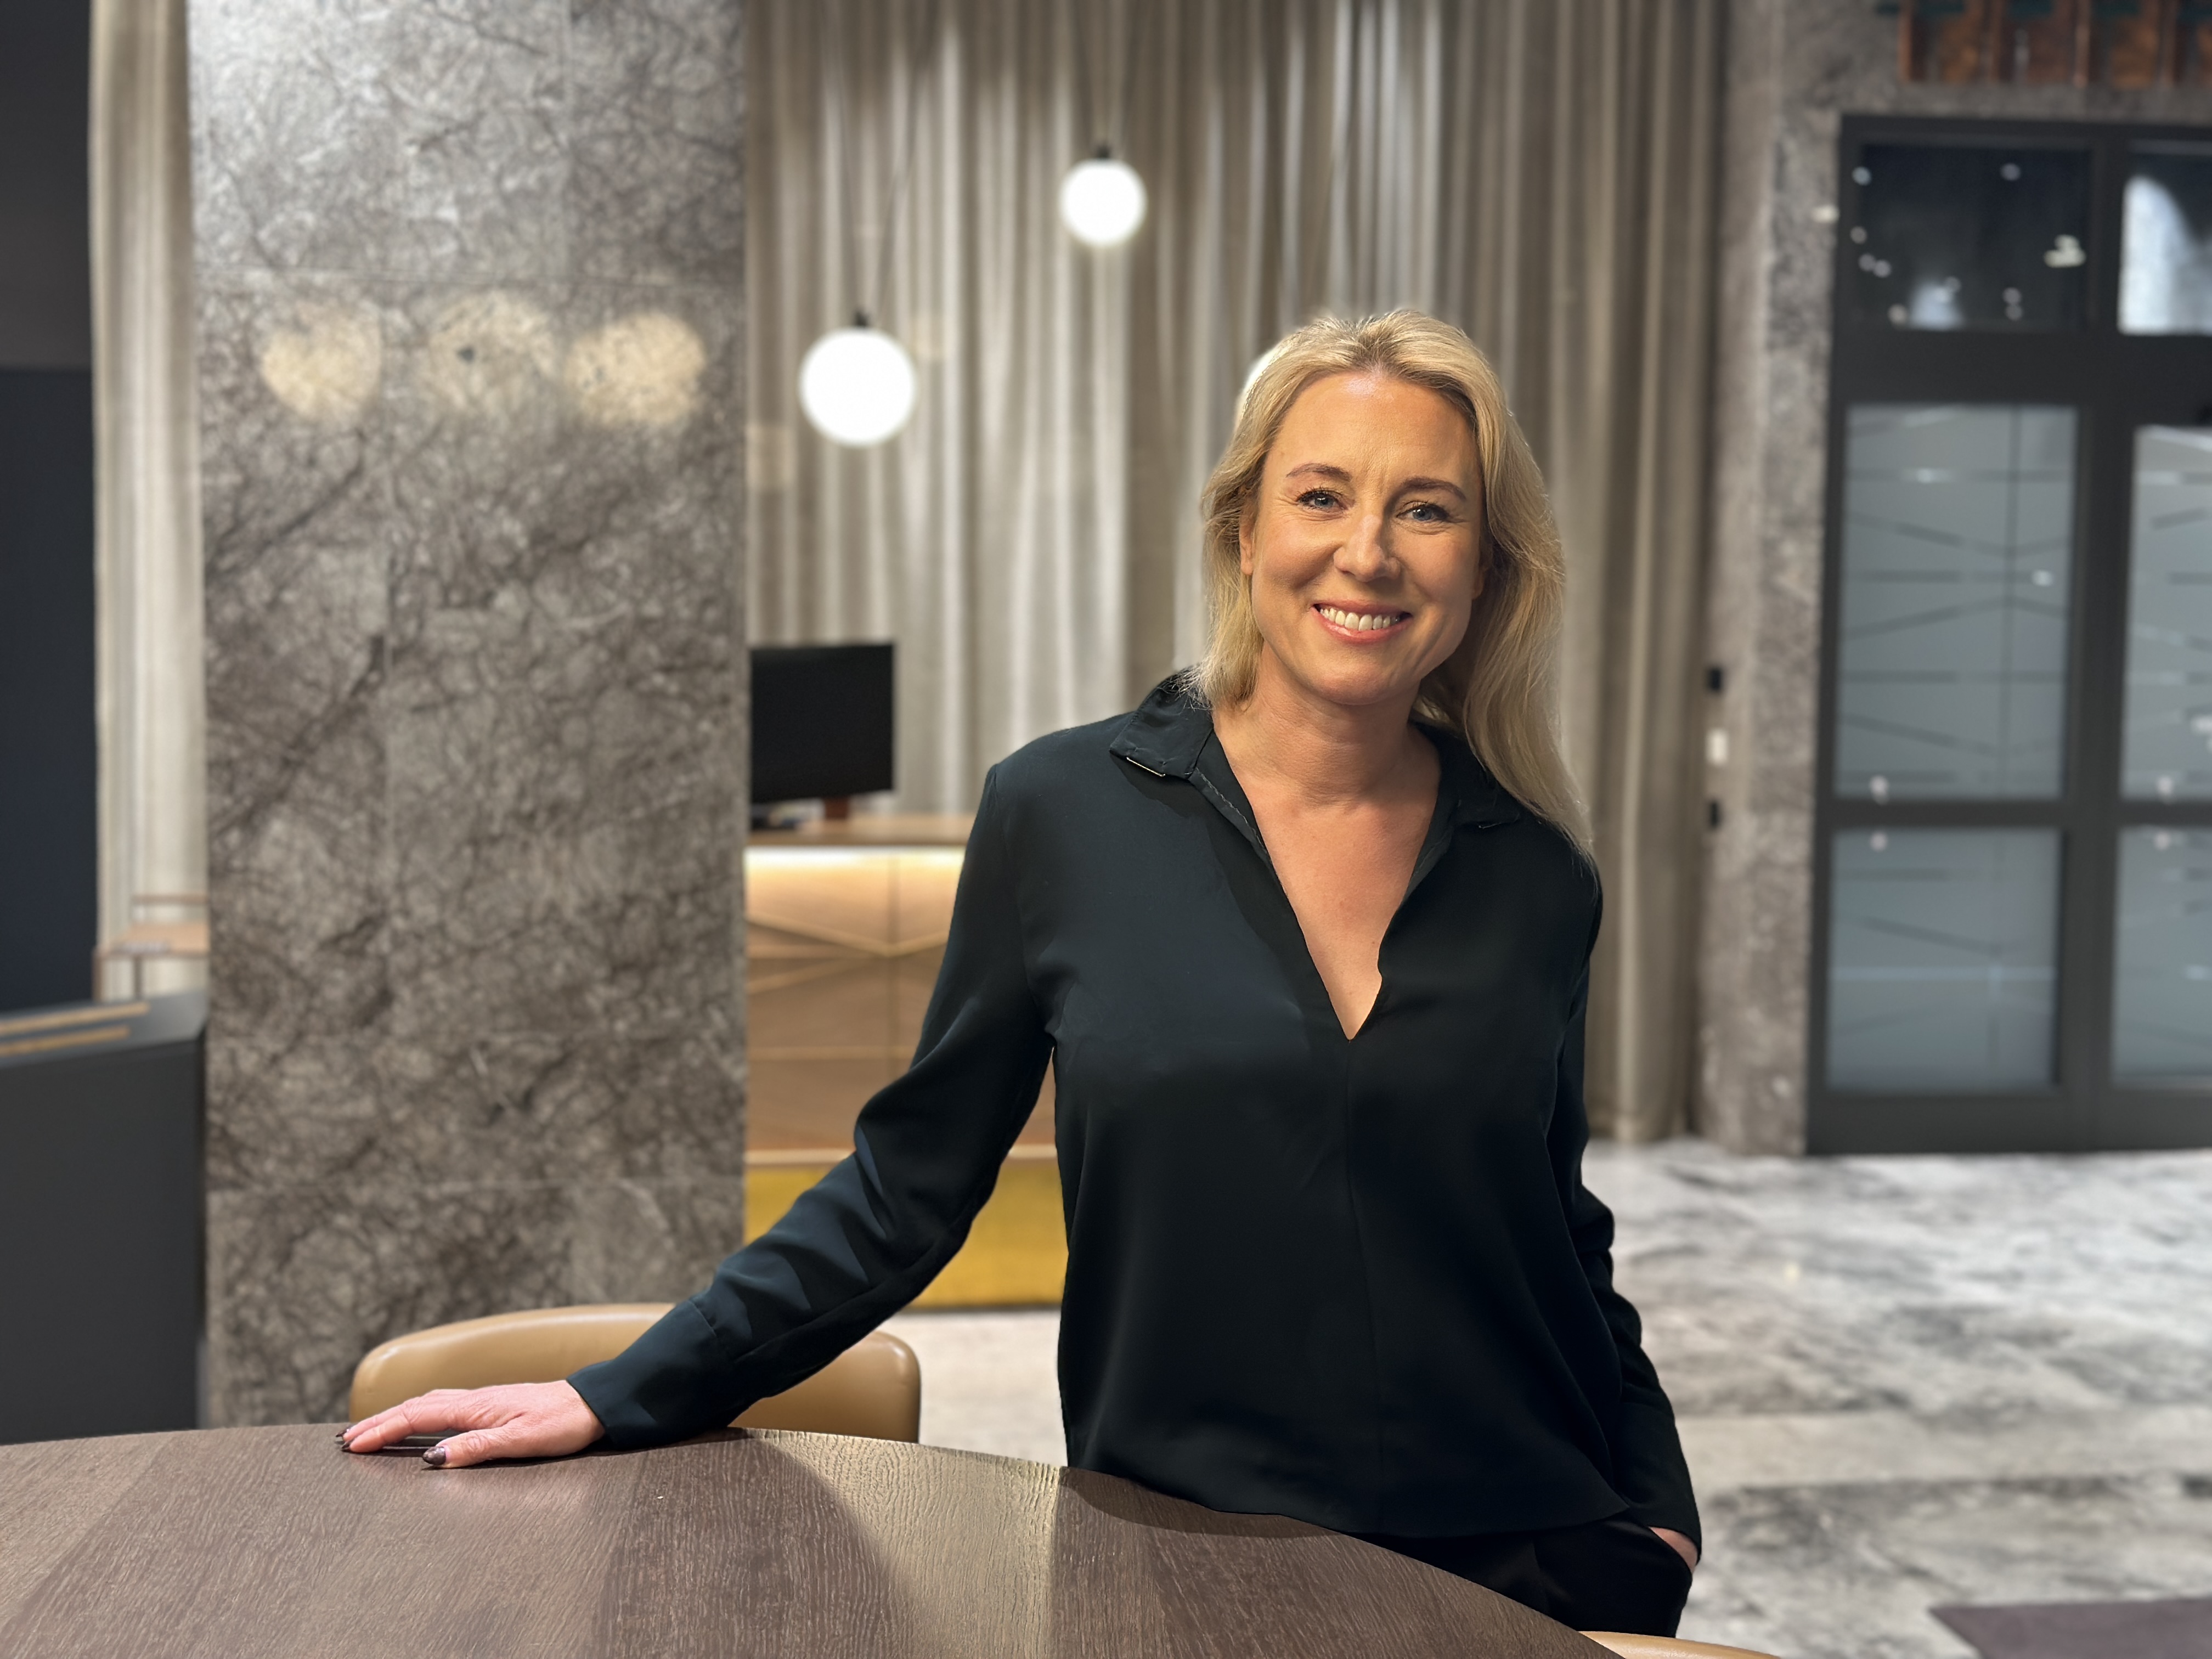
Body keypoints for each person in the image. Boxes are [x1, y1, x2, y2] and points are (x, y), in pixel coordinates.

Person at [343, 309, 1701, 1636]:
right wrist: (623, 1390)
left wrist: (1658, 1510)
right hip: (1183, 1566)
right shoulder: (1065, 814)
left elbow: (1556, 1230)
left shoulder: (1537, 875)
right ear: (1245, 533)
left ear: (1485, 568)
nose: (1368, 551)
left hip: (1522, 1571)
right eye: (1322, 495)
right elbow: (907, 1187)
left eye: (1426, 509)